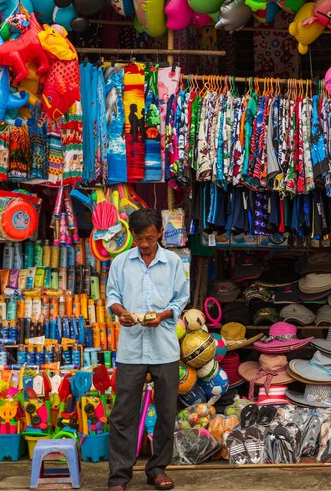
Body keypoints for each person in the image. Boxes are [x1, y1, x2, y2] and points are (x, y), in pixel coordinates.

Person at [106, 208, 189, 491]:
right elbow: (112, 297)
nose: (144, 244)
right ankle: (119, 475)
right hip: (130, 349)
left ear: (160, 234)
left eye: (150, 238)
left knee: (166, 413)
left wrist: (163, 316)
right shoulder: (120, 262)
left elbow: (181, 300)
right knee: (122, 415)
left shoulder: (174, 262)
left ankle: (157, 469)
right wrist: (121, 312)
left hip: (165, 349)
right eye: (139, 238)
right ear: (132, 235)